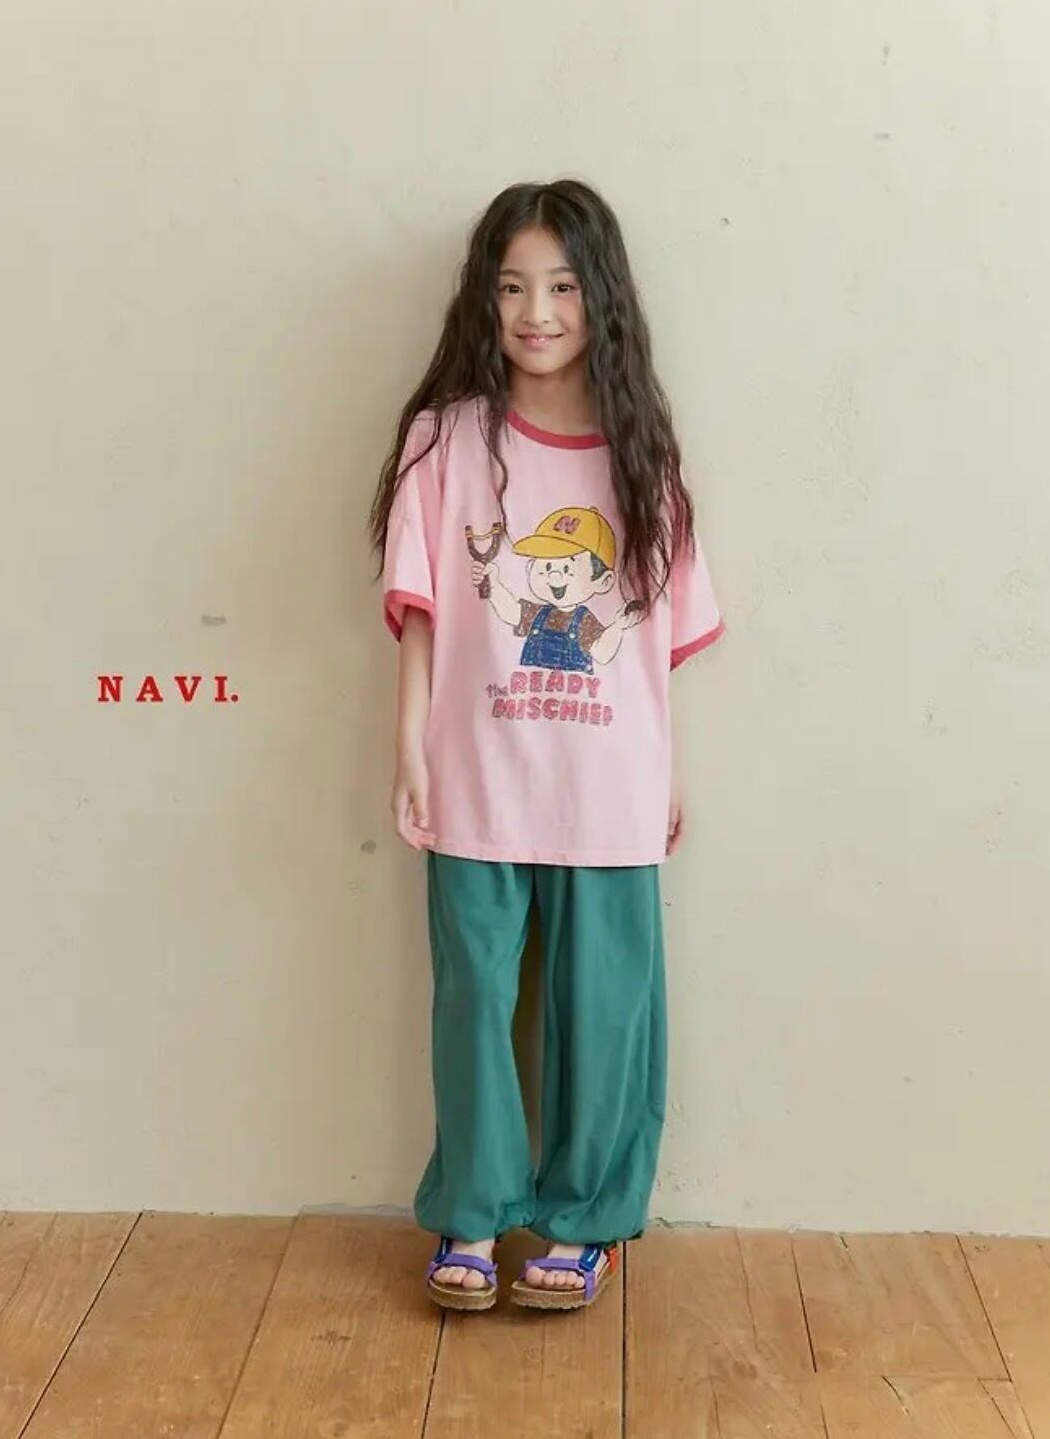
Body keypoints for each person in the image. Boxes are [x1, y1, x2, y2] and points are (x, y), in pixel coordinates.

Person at [367, 179, 723, 1313]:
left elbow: (653, 643)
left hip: (609, 777)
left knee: (605, 1004)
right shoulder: (446, 441)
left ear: (599, 298)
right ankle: (473, 1208)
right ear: (486, 298)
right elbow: (423, 613)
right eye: (515, 286)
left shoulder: (642, 457)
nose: (537, 312)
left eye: (563, 287)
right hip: (475, 767)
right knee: (472, 996)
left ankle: (585, 1221)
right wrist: (411, 748)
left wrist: (666, 775)